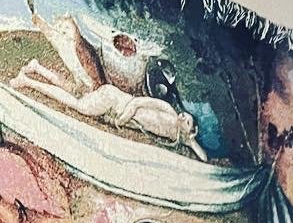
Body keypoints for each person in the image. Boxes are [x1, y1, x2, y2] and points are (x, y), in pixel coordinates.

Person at [11, 61, 207, 161]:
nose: (183, 116)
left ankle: (36, 67)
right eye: (186, 116)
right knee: (78, 105)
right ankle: (27, 81)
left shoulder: (176, 133)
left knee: (73, 91)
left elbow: (200, 153)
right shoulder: (169, 111)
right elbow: (138, 103)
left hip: (113, 104)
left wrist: (191, 138)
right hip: (112, 100)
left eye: (187, 121)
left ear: (188, 130)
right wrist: (122, 120)